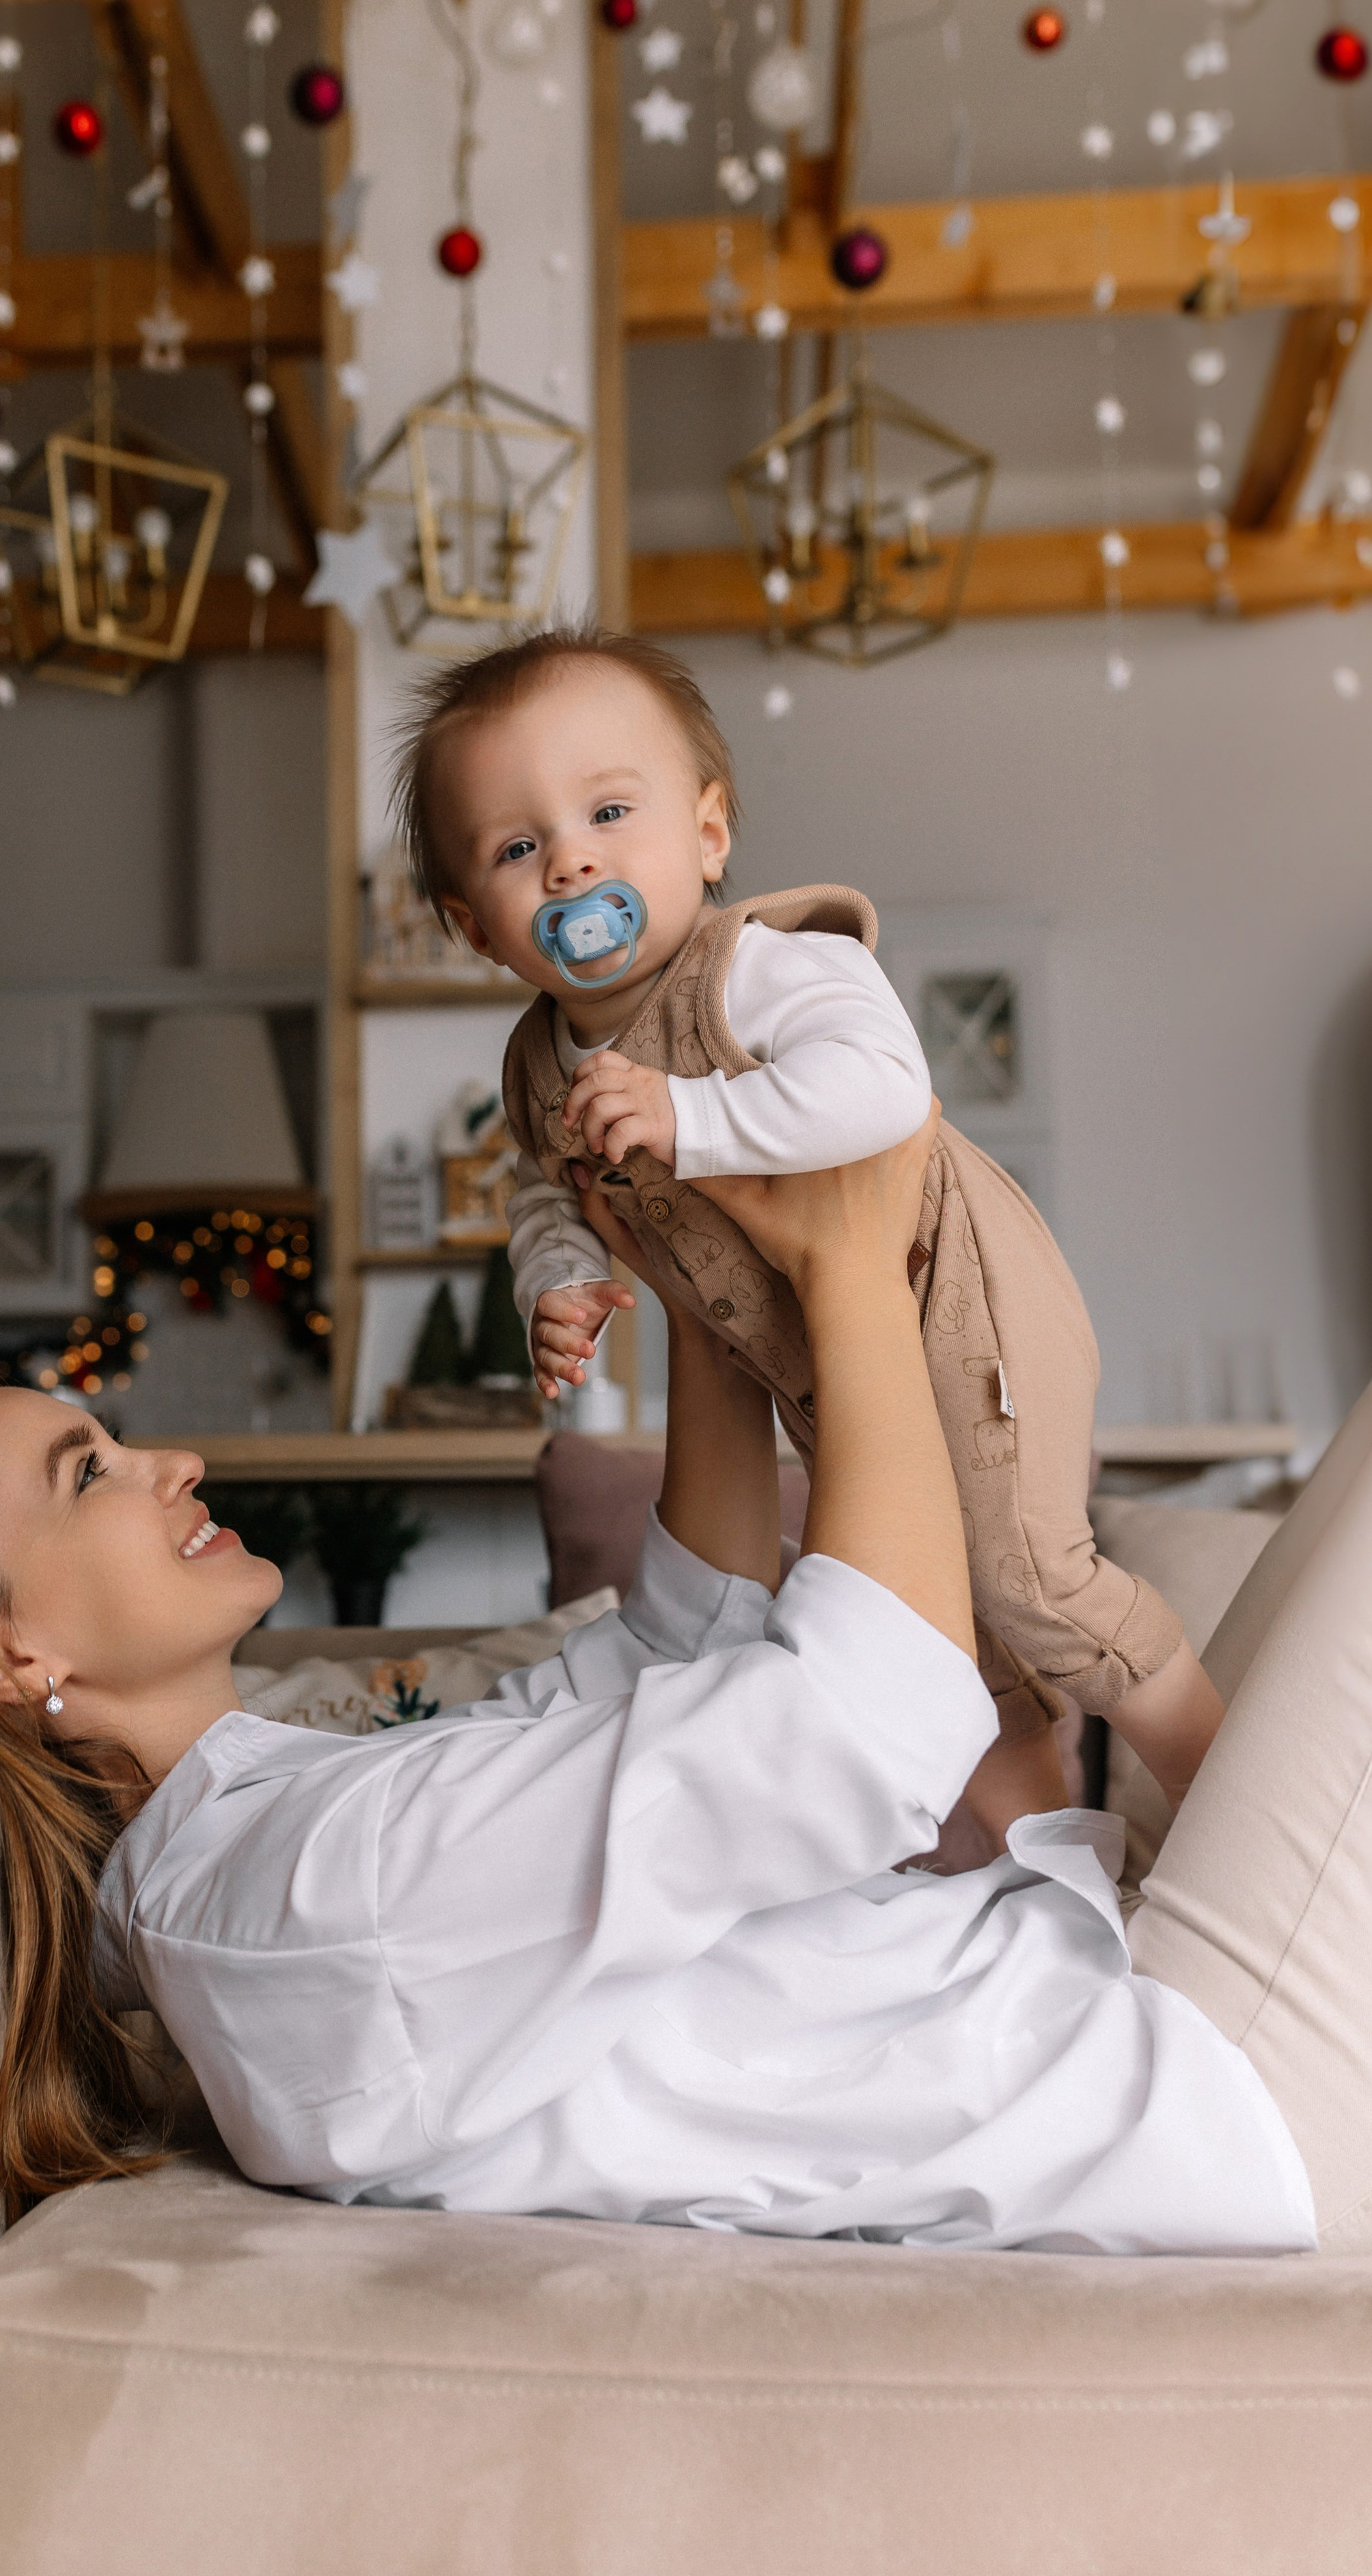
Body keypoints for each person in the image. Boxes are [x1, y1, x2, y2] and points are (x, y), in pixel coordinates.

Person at [0, 1112, 1360, 2256]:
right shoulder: (296, 1898)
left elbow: (673, 1655)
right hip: (1183, 2077)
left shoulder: (280, 1807)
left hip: (1122, 1994)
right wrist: (849, 1273)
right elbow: (864, 1724)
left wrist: (698, 1303)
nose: (172, 1462)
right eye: (87, 1471)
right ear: (12, 1654)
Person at [390, 625, 1222, 1850]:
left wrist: (688, 1115)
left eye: (609, 811)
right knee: (944, 1636)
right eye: (520, 847)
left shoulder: (761, 968)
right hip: (825, 1364)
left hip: (958, 1297)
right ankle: (1053, 1883)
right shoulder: (535, 1069)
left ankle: (1235, 1814)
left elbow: (884, 1090)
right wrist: (556, 1282)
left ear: (708, 834)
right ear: (476, 926)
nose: (572, 859)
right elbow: (547, 1193)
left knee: (1030, 1580)